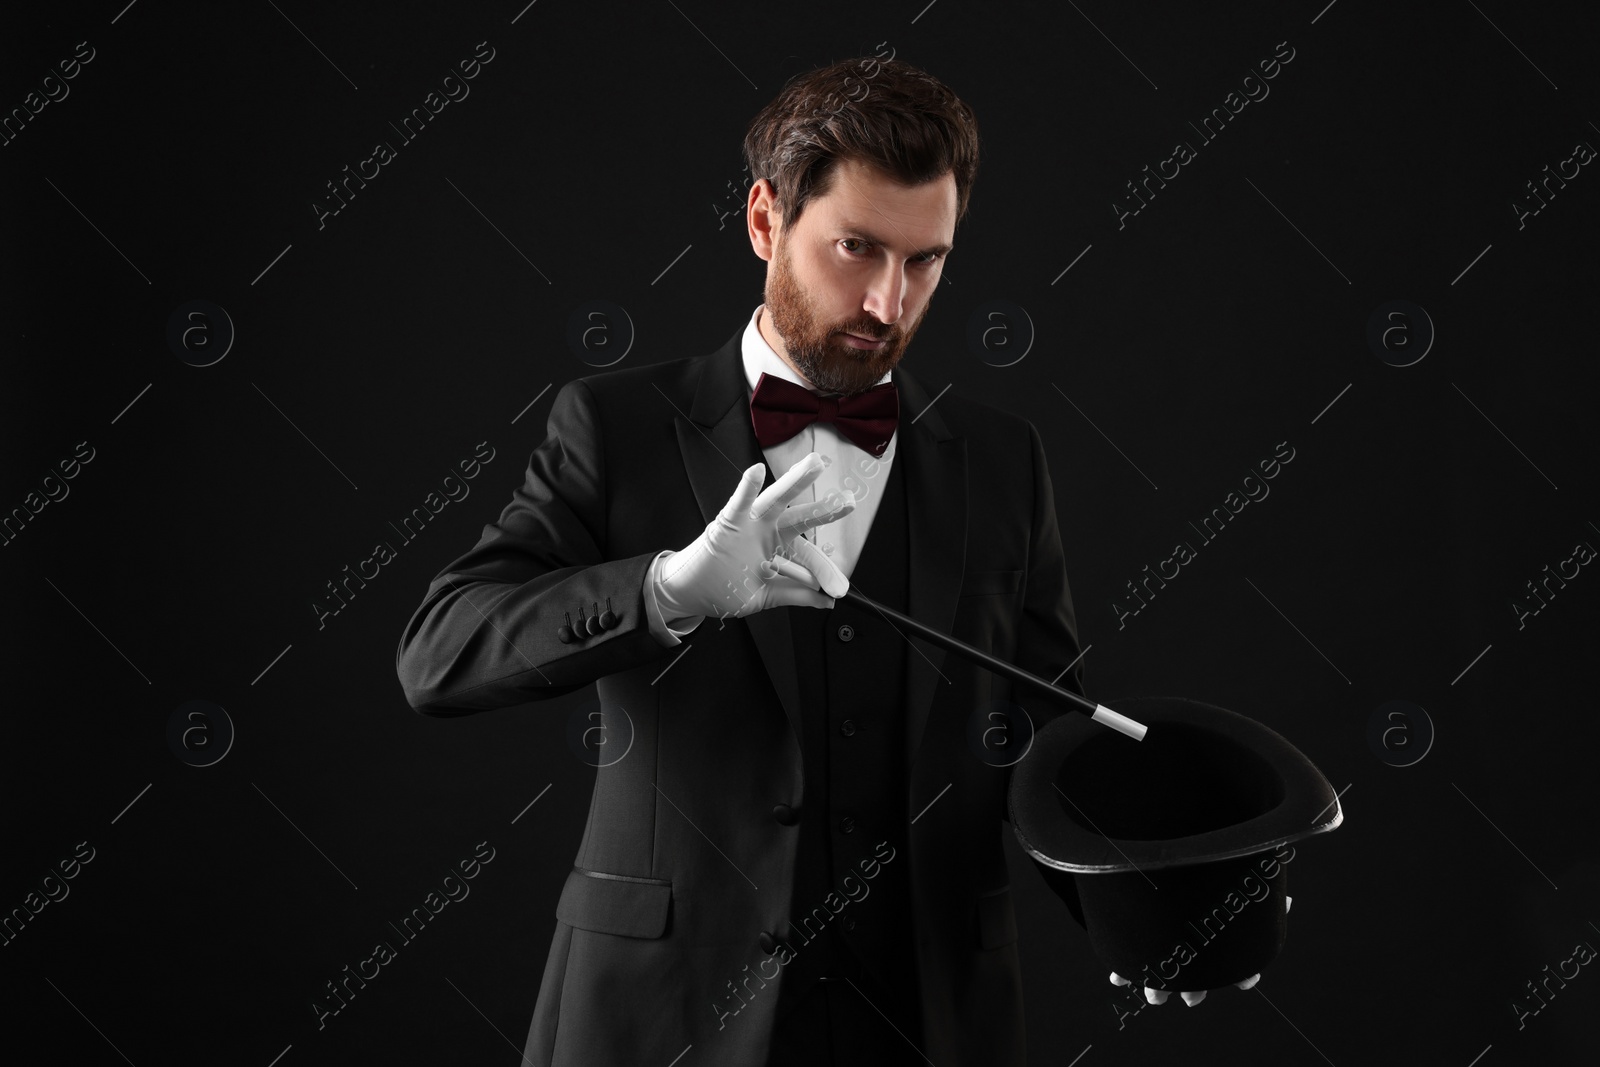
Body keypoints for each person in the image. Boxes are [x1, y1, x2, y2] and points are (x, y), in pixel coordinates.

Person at [395, 55, 1242, 1067]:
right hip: (659, 1012)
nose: (887, 301)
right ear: (763, 221)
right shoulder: (613, 426)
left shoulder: (1001, 457)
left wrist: (1139, 906)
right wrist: (667, 589)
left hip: (926, 1014)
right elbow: (438, 655)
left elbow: (1041, 724)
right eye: (856, 247)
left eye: (924, 260)